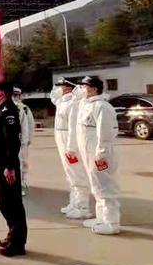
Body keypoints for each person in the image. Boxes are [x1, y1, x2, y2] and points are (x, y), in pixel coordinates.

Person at [75, 76, 121, 235]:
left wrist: (101, 154)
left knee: (105, 187)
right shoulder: (87, 105)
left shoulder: (102, 107)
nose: (81, 89)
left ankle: (112, 222)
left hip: (99, 155)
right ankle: (101, 218)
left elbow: (105, 133)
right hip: (89, 154)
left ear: (94, 89)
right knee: (96, 187)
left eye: (84, 86)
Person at [0, 82, 27, 257]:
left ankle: (18, 244)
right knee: (5, 203)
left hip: (6, 165)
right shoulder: (0, 110)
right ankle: (12, 235)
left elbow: (12, 142)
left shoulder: (9, 112)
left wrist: (9, 167)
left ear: (2, 93)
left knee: (13, 204)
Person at [51, 78, 91, 218]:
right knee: (70, 174)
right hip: (61, 140)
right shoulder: (62, 102)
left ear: (68, 88)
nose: (57, 89)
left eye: (60, 86)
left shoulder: (72, 104)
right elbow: (53, 98)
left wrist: (71, 147)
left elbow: (73, 127)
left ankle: (82, 206)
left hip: (69, 142)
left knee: (77, 174)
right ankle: (74, 203)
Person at [13, 87, 35, 196]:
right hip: (13, 140)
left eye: (17, 95)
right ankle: (17, 181)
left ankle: (24, 179)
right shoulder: (10, 107)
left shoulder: (25, 108)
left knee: (24, 161)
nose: (15, 97)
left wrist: (29, 138)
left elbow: (30, 124)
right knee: (16, 162)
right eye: (14, 95)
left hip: (23, 139)